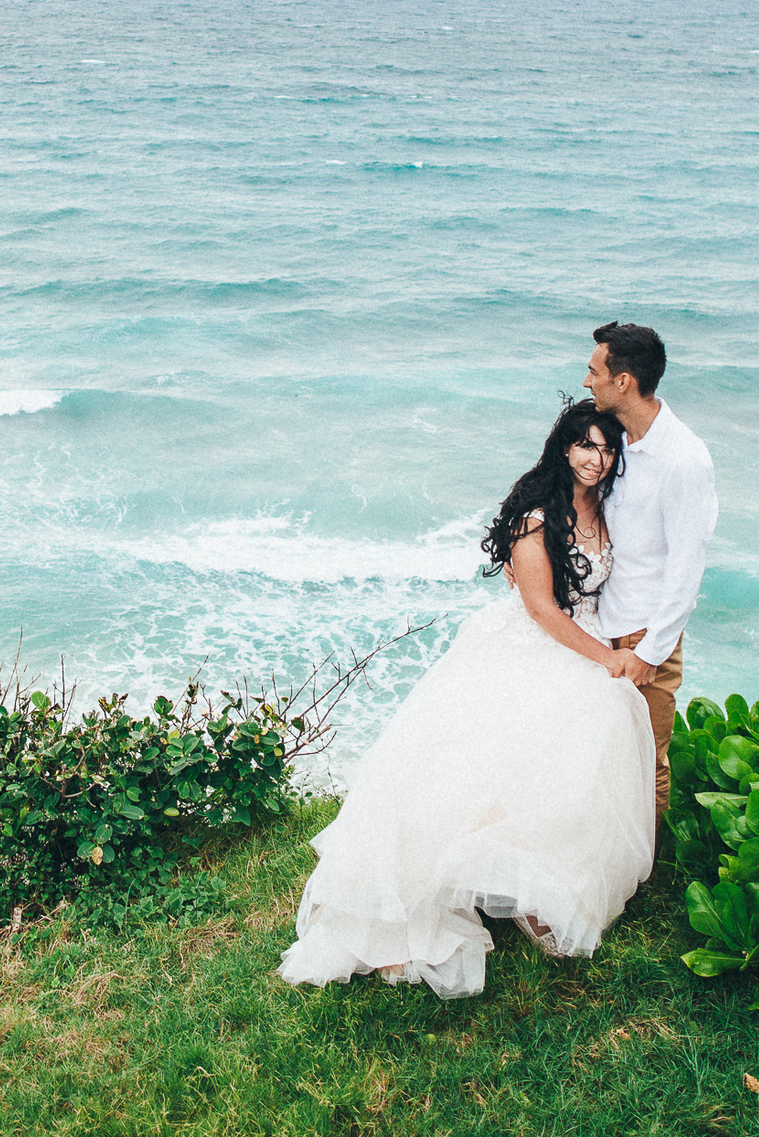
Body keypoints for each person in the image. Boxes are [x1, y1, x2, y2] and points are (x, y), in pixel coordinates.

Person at [276, 400, 656, 999]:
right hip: (535, 645)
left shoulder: (608, 509)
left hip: (582, 643)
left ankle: (538, 889)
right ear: (564, 448)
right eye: (585, 445)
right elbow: (542, 609)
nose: (597, 459)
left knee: (576, 760)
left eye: (608, 448)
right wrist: (607, 657)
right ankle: (475, 890)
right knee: (485, 769)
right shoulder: (536, 518)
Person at [584, 321, 717, 814]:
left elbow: (687, 568)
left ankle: (647, 878)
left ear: (623, 381)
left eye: (594, 370)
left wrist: (652, 653)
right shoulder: (613, 440)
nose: (586, 381)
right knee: (598, 753)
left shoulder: (684, 460)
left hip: (644, 635)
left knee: (647, 759)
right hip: (597, 624)